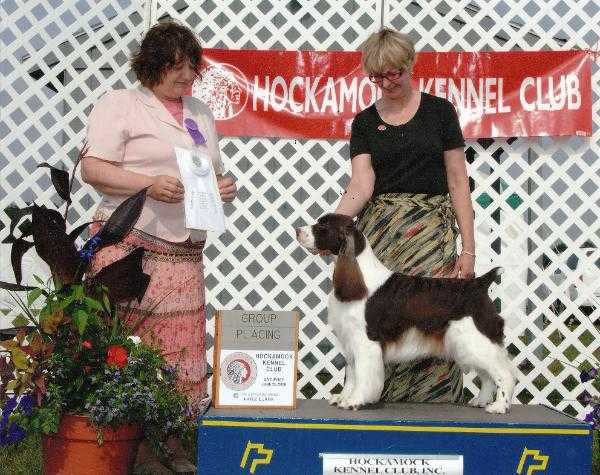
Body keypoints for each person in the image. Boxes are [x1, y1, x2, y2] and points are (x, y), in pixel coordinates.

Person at [81, 21, 237, 474]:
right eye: (175, 69)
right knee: (134, 347)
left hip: (185, 251)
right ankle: (134, 447)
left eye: (191, 69)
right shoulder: (121, 104)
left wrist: (224, 187)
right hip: (130, 244)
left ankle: (172, 442)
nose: (186, 78)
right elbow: (93, 168)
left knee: (181, 351)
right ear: (151, 66)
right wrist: (148, 184)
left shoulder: (202, 113)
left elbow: (211, 172)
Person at [334, 28, 475, 404]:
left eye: (394, 72)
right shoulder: (364, 122)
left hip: (433, 237)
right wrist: (332, 226)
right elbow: (361, 183)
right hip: (382, 240)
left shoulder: (441, 112)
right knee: (380, 327)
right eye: (377, 77)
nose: (386, 83)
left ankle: (440, 413)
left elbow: (458, 181)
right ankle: (377, 407)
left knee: (434, 323)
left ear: (410, 64)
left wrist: (469, 250)